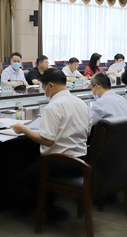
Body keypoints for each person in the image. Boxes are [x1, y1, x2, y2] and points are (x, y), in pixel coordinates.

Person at [10, 68, 91, 221]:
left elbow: (47, 140)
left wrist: (24, 129)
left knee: (20, 178)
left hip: (59, 163)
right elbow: (87, 133)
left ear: (51, 86)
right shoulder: (81, 103)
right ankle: (49, 206)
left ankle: (45, 209)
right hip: (81, 160)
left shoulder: (53, 106)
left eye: (43, 86)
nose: (44, 90)